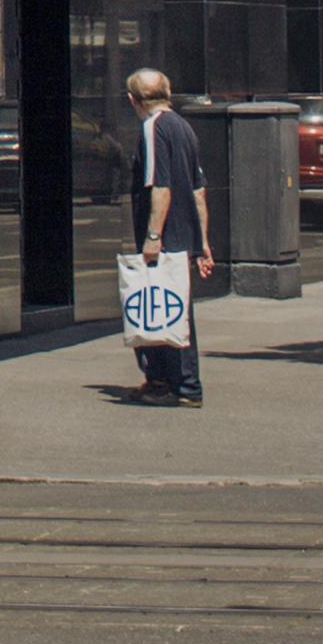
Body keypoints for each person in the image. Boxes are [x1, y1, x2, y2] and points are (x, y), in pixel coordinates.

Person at [130, 67, 209, 406]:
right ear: (169, 93)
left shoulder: (153, 128)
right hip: (185, 232)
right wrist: (203, 243)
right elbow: (198, 190)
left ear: (132, 100)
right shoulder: (184, 127)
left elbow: (160, 186)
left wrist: (152, 235)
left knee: (158, 307)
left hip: (164, 234)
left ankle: (177, 385)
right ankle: (172, 382)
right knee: (177, 309)